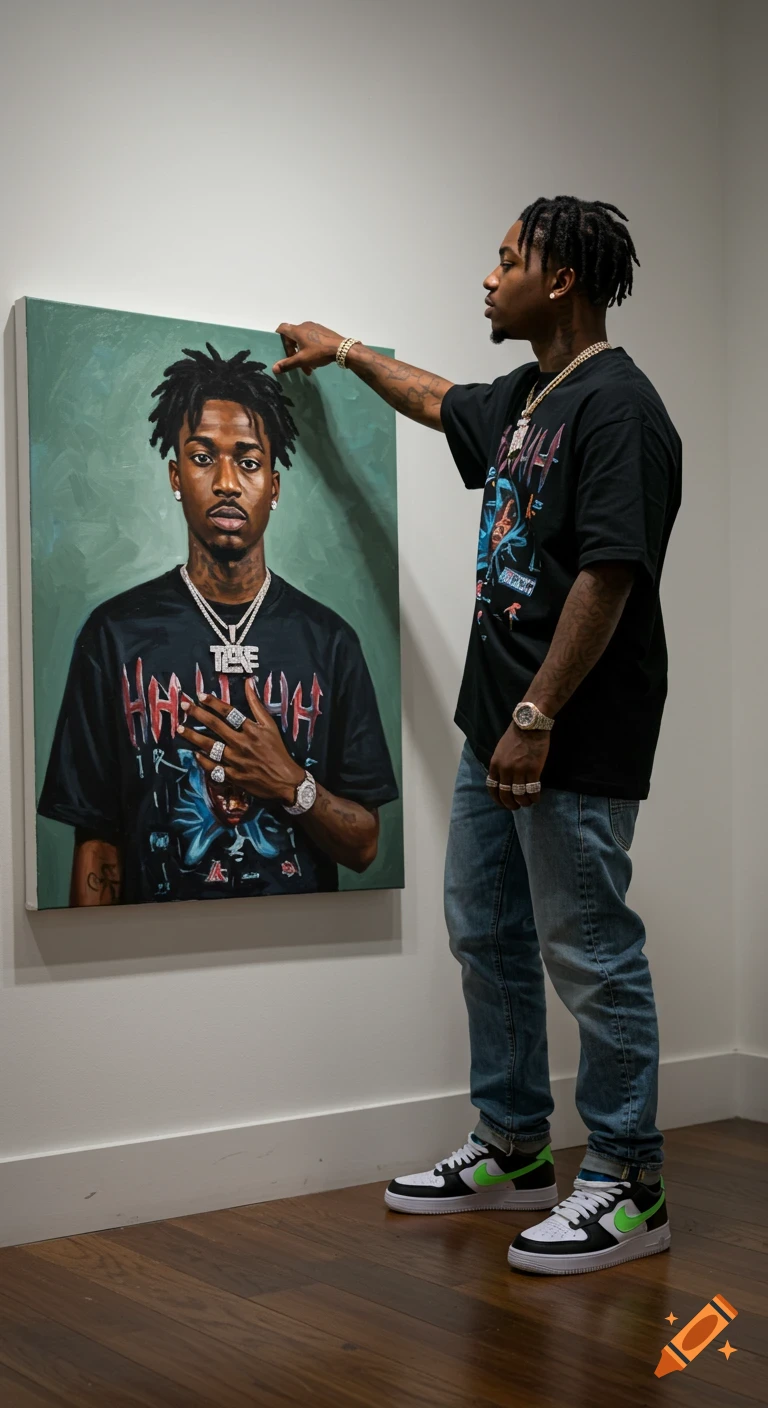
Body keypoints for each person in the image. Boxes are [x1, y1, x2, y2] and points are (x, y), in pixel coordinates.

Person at [274, 195, 681, 1275]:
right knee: (486, 931)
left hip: (569, 736)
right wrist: (346, 351)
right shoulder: (532, 396)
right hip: (495, 731)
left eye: (507, 260)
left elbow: (610, 572)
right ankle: (512, 1144)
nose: (487, 275)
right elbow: (439, 397)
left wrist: (538, 717)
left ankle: (630, 1181)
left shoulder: (620, 409)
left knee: (589, 951)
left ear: (562, 281)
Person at [39, 344, 398, 905]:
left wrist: (289, 783)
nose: (228, 482)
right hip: (152, 954)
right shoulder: (113, 635)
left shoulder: (329, 642)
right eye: (204, 458)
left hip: (305, 957)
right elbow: (98, 845)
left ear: (273, 488)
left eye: (249, 461)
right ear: (175, 475)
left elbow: (364, 847)